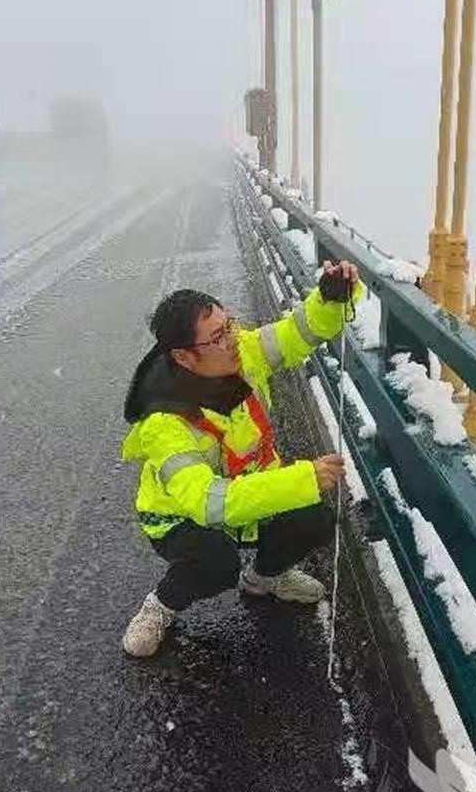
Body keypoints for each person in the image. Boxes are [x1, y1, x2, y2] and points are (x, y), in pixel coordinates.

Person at [119, 260, 365, 657]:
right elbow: (208, 503)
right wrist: (301, 479)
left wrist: (331, 295)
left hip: (247, 493)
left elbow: (299, 331)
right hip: (182, 517)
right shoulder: (165, 422)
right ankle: (160, 606)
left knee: (315, 516)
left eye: (230, 324)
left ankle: (264, 579)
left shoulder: (242, 352)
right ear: (184, 357)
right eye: (218, 336)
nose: (233, 339)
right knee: (216, 563)